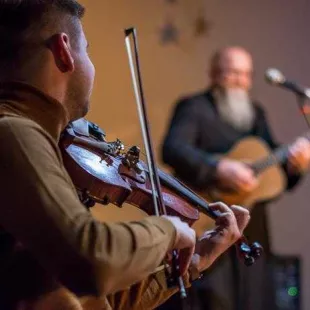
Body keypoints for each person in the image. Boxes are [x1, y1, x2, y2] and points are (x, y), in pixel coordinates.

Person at [0, 2, 251, 310]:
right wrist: (168, 230)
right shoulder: (13, 132)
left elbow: (95, 302)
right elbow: (92, 260)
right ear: (64, 51)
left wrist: (198, 258)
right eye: (87, 50)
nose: (91, 66)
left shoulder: (37, 141)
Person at [161, 46, 310, 310]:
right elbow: (173, 148)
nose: (240, 80)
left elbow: (273, 172)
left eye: (245, 74)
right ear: (214, 74)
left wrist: (296, 166)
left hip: (252, 229)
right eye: (232, 72)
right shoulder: (194, 107)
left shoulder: (256, 113)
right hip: (208, 221)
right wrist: (217, 168)